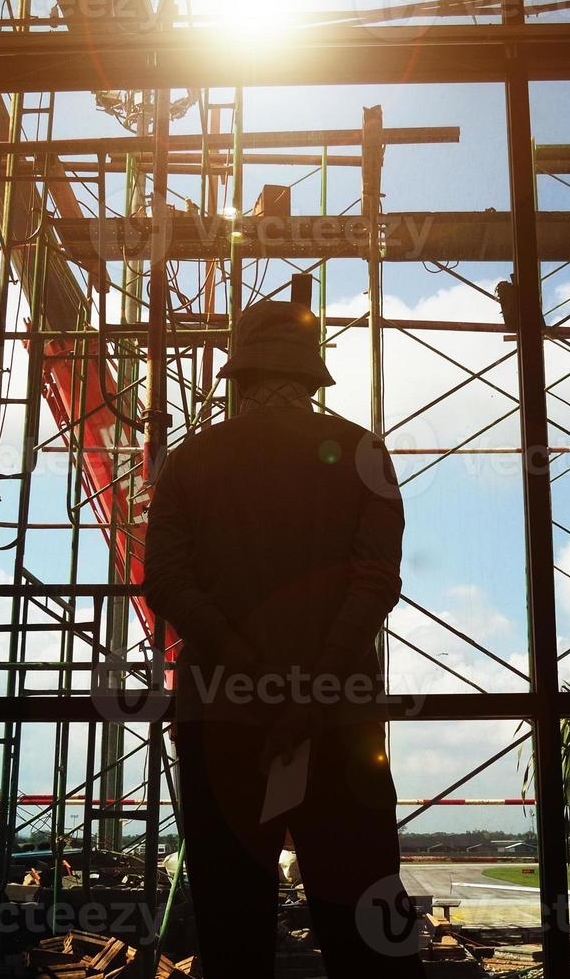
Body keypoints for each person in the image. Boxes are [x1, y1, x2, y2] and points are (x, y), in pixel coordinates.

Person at [143, 300, 426, 978]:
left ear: (237, 375)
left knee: (233, 925)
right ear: (313, 376)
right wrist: (313, 687)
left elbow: (167, 583)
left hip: (224, 721)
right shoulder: (364, 453)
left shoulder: (189, 462)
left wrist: (253, 673)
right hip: (341, 721)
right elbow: (375, 583)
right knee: (365, 932)